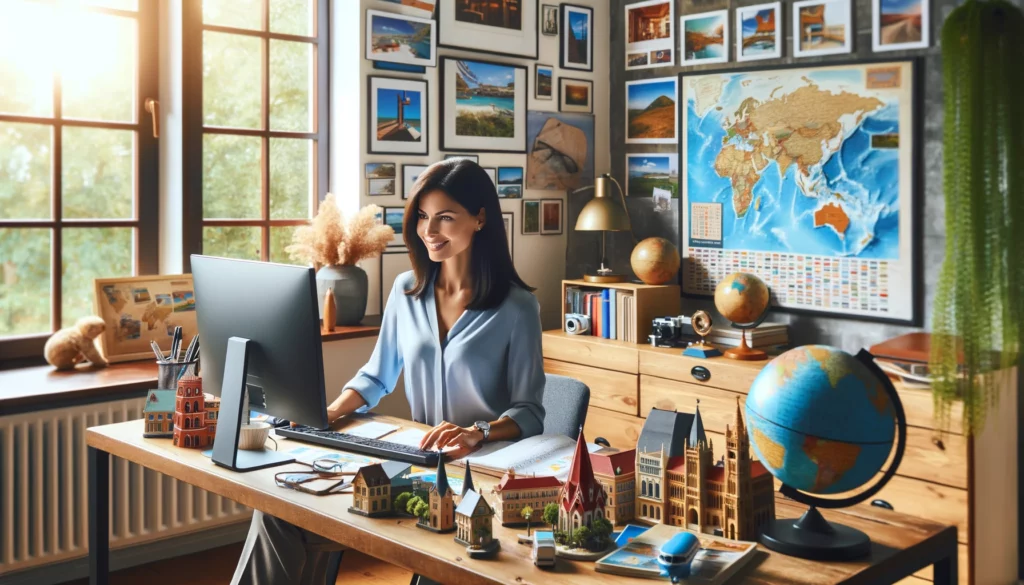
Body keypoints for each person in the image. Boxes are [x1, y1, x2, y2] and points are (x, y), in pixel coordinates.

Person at [230, 159, 546, 585]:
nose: (429, 231)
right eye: (422, 217)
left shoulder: (517, 308)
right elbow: (377, 376)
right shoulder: (406, 291)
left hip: (477, 474)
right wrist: (327, 414)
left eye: (445, 218)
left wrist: (478, 432)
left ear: (480, 218)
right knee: (280, 508)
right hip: (413, 461)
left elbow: (530, 412)